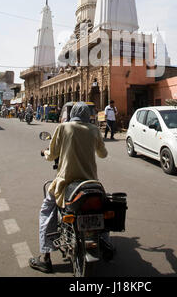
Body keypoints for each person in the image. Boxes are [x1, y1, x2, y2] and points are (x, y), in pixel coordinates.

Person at [29, 101, 109, 274]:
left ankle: (45, 258)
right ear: (88, 115)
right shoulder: (94, 129)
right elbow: (103, 154)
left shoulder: (63, 128)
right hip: (90, 183)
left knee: (47, 211)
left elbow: (52, 155)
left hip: (66, 183)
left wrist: (45, 153)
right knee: (103, 208)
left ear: (73, 114)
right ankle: (105, 242)